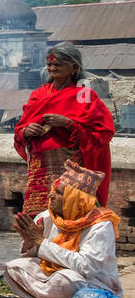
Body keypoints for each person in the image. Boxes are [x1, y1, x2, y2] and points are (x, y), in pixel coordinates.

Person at [13, 42, 115, 217]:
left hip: (71, 164)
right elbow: (20, 128)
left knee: (71, 211)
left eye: (57, 64)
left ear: (74, 67)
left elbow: (102, 132)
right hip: (41, 165)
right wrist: (27, 130)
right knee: (37, 214)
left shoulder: (84, 95)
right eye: (49, 64)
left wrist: (68, 123)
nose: (52, 68)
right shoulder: (39, 94)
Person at [4, 160, 122, 298]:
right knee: (13, 268)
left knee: (65, 280)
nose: (51, 195)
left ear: (75, 200)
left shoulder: (100, 225)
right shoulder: (47, 217)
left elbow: (87, 267)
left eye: (59, 193)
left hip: (98, 284)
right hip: (55, 276)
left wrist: (41, 242)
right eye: (53, 190)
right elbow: (32, 256)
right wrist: (29, 243)